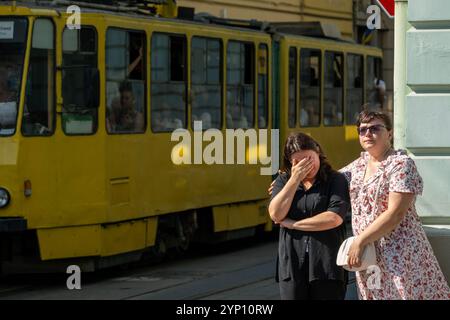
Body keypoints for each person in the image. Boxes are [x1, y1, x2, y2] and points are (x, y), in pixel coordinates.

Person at [340, 110, 450, 300]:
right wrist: (288, 181)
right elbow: (326, 181)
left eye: (375, 128)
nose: (367, 134)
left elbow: (395, 214)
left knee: (404, 294)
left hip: (400, 253)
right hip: (370, 255)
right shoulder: (358, 165)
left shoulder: (400, 164)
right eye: (362, 130)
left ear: (389, 133)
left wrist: (359, 241)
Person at [268, 133, 350, 300]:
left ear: (318, 152)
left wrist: (293, 224)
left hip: (327, 266)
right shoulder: (283, 181)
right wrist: (294, 179)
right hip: (292, 264)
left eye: (309, 159)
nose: (305, 166)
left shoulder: (335, 180)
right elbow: (276, 214)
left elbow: (333, 218)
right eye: (298, 162)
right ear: (290, 163)